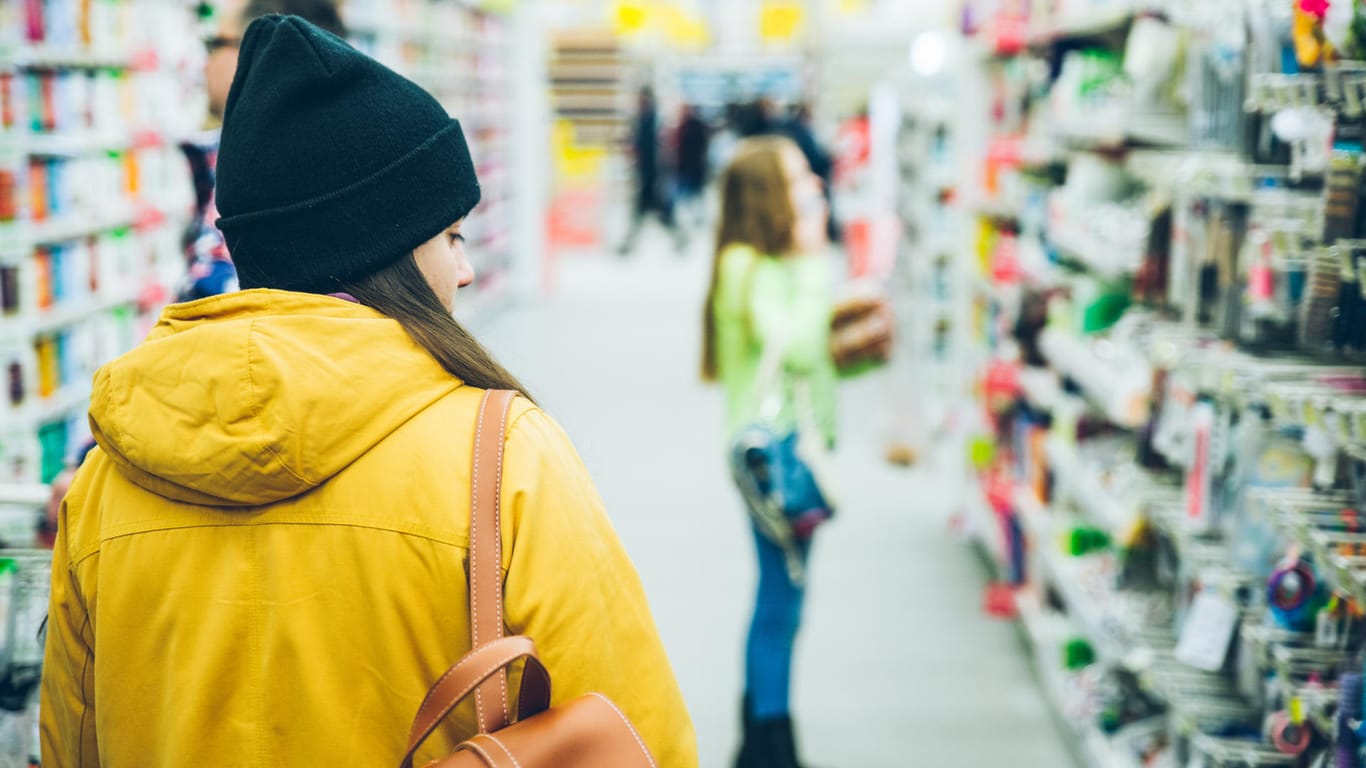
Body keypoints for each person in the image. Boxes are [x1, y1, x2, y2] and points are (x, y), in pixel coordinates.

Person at [40, 16, 697, 768]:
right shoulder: (503, 456)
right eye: (451, 237)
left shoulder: (107, 484)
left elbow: (70, 744)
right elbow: (636, 734)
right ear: (382, 249)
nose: (469, 269)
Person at [700, 137, 836, 768]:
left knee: (782, 596)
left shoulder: (757, 260)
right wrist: (815, 264)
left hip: (777, 446)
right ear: (770, 192)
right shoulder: (749, 264)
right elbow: (800, 348)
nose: (813, 184)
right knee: (780, 601)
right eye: (799, 176)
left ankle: (759, 736)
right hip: (767, 456)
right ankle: (770, 745)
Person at [180, 0, 348, 301]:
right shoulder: (335, 166)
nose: (203, 65)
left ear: (257, 51)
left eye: (214, 44)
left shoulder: (250, 179)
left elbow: (212, 303)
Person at [619, 85, 683, 255]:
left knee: (655, 214)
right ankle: (679, 240)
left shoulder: (651, 121)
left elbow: (655, 151)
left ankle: (680, 239)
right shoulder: (643, 120)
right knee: (650, 215)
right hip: (648, 176)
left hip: (652, 177)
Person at [672, 104, 711, 229]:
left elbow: (700, 148)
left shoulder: (695, 126)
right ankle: (692, 222)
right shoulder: (683, 126)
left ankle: (697, 221)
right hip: (685, 169)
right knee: (687, 197)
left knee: (693, 197)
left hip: (693, 169)